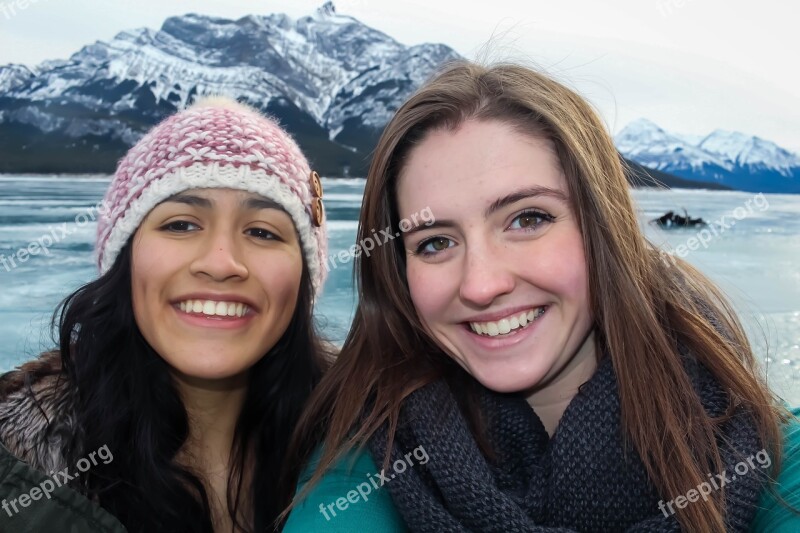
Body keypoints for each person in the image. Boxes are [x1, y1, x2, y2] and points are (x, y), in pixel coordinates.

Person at [282, 62, 800, 532]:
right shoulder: (365, 465)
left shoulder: (767, 454)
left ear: (604, 229)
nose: (481, 285)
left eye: (528, 219)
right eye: (435, 242)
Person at [0, 97, 330, 532]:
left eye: (262, 231)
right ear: (124, 260)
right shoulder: (17, 478)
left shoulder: (376, 450)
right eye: (181, 224)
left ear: (305, 278)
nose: (221, 261)